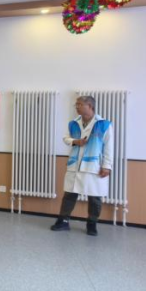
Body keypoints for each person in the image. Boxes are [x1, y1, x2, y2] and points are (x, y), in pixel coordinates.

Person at [51, 96, 114, 237]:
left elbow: (109, 147)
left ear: (90, 106)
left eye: (80, 104)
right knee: (69, 195)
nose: (77, 107)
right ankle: (63, 221)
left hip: (94, 166)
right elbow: (66, 138)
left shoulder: (104, 124)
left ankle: (92, 223)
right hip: (75, 165)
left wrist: (107, 166)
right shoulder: (73, 123)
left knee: (95, 197)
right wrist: (75, 141)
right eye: (76, 104)